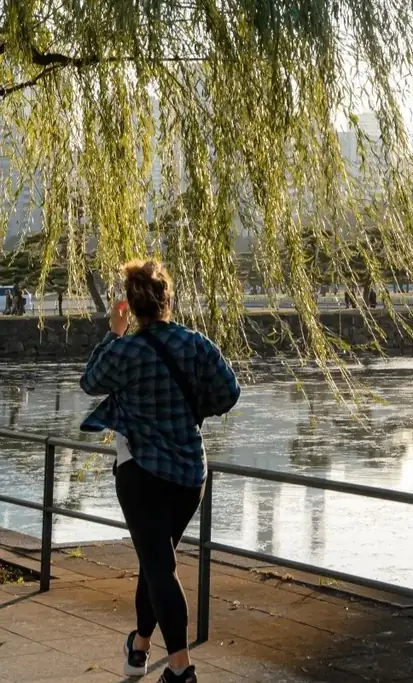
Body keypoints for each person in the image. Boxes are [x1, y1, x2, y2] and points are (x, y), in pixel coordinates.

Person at [79, 260, 240, 683]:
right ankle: (139, 647)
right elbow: (230, 392)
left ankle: (181, 668)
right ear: (169, 299)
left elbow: (90, 382)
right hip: (190, 475)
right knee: (156, 562)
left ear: (131, 306)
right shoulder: (197, 344)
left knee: (158, 568)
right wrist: (191, 413)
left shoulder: (125, 349)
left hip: (142, 472)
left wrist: (112, 333)